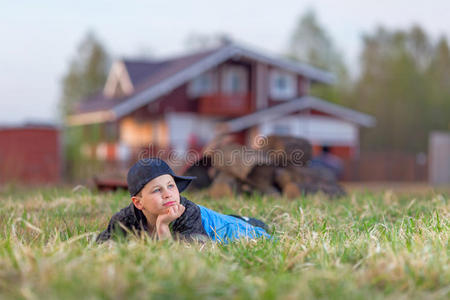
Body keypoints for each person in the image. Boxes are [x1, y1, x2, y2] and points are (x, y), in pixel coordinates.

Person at [96, 158, 270, 243]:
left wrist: (163, 227)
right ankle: (242, 218)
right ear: (138, 203)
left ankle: (247, 221)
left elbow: (191, 252)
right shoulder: (125, 219)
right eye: (157, 190)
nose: (168, 194)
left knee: (254, 233)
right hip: (208, 220)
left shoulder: (187, 212)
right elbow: (103, 243)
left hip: (213, 224)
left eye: (171, 186)